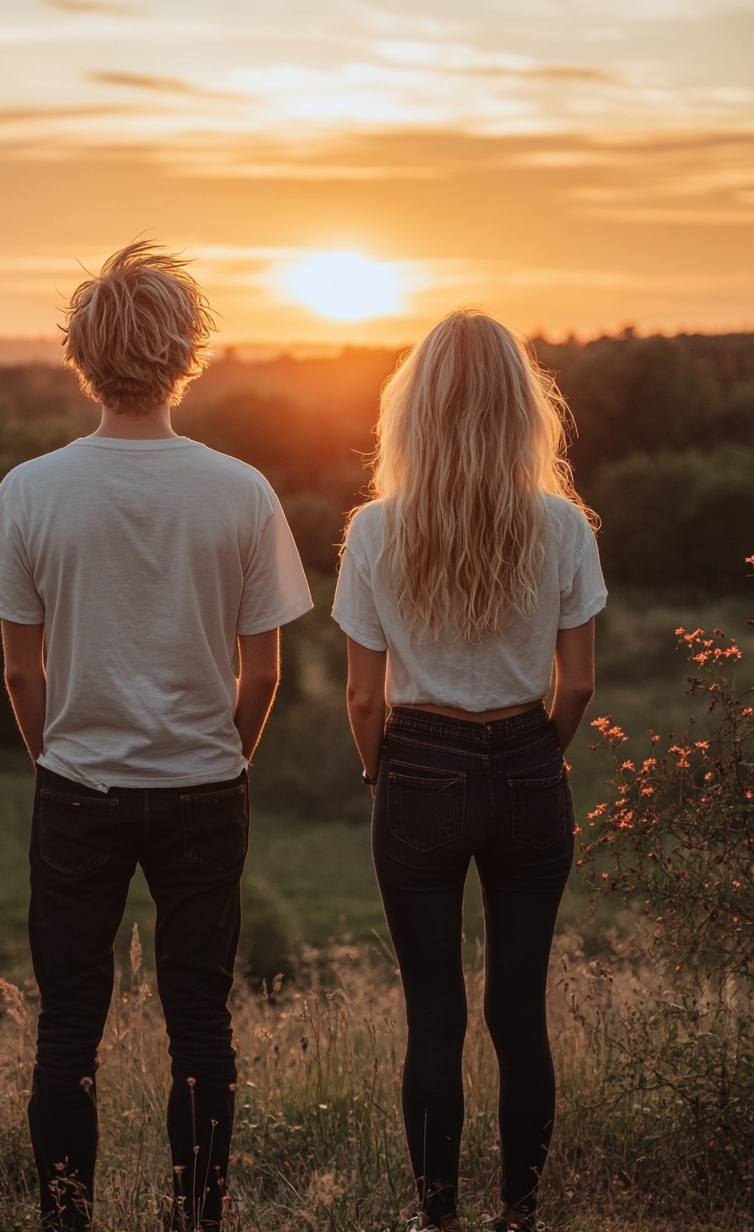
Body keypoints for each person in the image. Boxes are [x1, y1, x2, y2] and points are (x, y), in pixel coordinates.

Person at [0, 240, 312, 1231]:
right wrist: (225, 758)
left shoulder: (29, 490)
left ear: (82, 354)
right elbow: (264, 673)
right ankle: (196, 1218)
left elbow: (18, 670)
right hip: (208, 785)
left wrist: (57, 756)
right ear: (185, 352)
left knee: (68, 1027)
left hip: (77, 784)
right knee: (200, 1024)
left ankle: (66, 1219)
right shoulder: (241, 490)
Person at [332, 310, 605, 1232]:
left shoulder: (374, 529)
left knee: (434, 1020)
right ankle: (519, 1214)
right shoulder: (564, 525)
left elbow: (363, 701)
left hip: (418, 764)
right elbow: (580, 683)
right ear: (523, 408)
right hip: (531, 759)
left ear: (416, 410)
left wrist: (386, 778)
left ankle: (437, 1219)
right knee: (519, 1015)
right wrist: (533, 759)